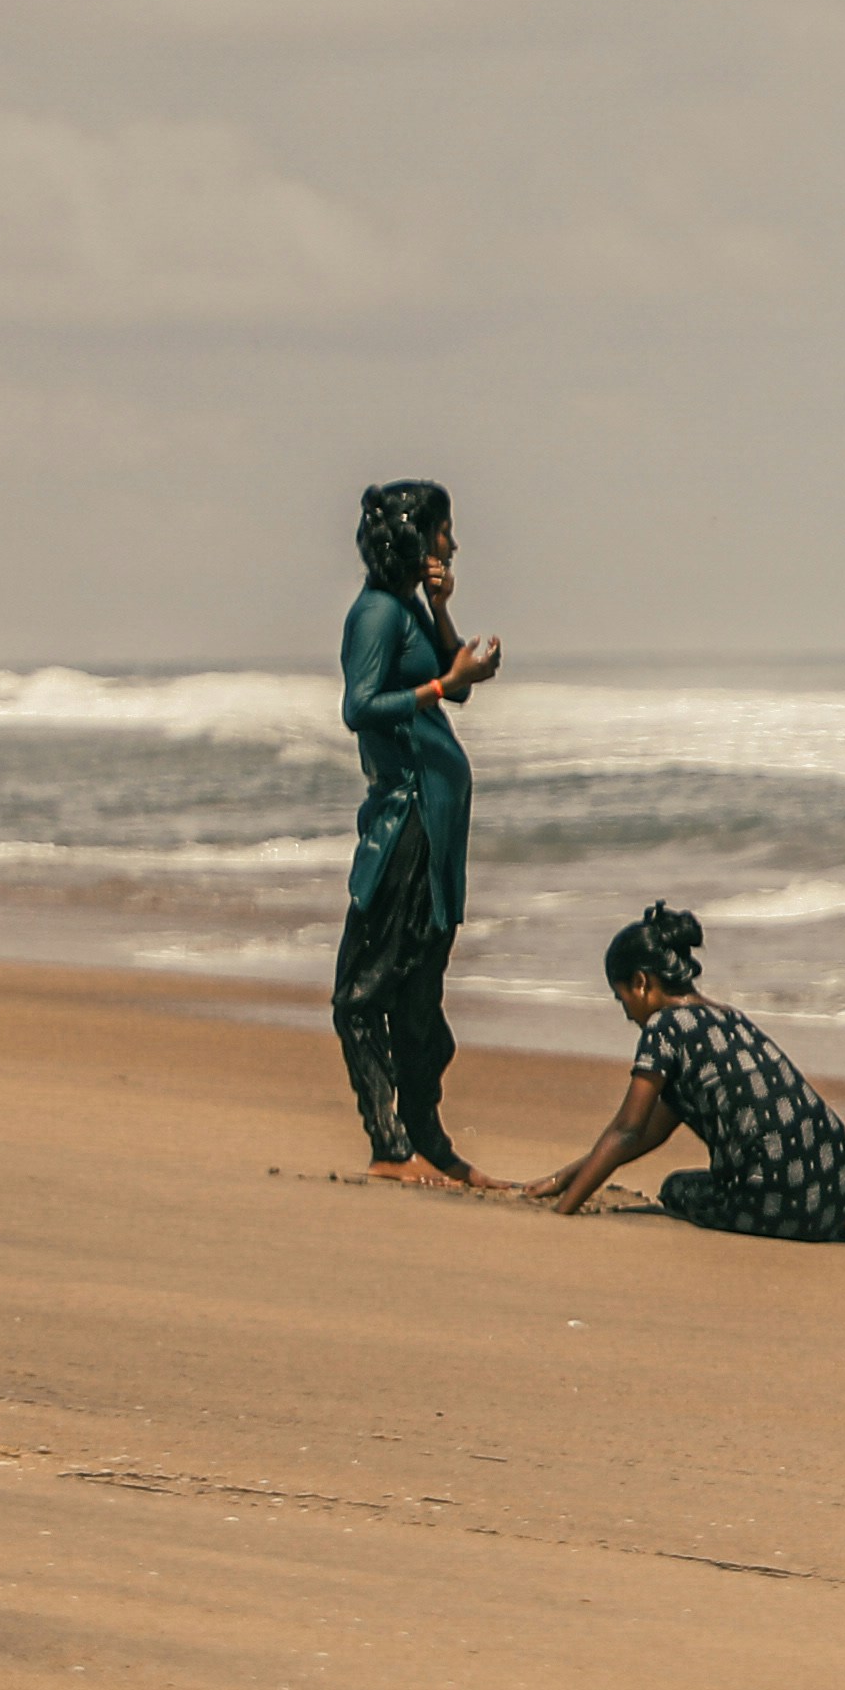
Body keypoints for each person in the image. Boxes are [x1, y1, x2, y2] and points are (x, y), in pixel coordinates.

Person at [525, 908, 845, 1248]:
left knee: (677, 1190)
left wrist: (565, 1212)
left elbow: (628, 1131)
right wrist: (561, 1179)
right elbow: (652, 1131)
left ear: (641, 982)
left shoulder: (665, 1028)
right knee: (785, 1177)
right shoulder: (726, 1018)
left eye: (623, 998)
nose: (625, 1012)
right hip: (838, 1173)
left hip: (779, 1196)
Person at [332, 478, 499, 1190]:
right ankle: (388, 1142)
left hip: (437, 821)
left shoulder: (406, 608)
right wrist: (439, 685)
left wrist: (440, 606)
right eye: (442, 532)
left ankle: (428, 1138)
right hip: (402, 820)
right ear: (414, 537)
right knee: (362, 993)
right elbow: (360, 706)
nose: (451, 543)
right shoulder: (372, 615)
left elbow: (456, 683)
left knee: (421, 990)